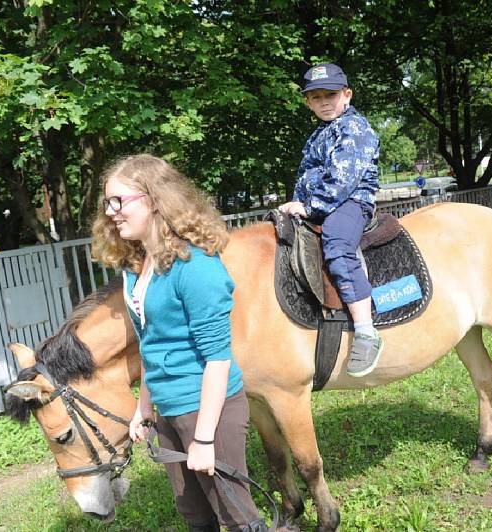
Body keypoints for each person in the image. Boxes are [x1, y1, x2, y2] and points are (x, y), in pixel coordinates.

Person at [91, 154, 267, 532]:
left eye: (119, 201)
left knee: (237, 517)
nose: (112, 212)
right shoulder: (137, 268)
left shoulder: (196, 267)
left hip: (208, 412)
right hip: (168, 412)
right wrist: (144, 409)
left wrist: (204, 438)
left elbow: (217, 360)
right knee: (195, 516)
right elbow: (151, 346)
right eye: (108, 203)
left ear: (154, 200)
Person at [278, 62, 383, 378]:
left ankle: (366, 330)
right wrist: (297, 203)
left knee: (337, 245)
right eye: (316, 97)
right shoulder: (317, 135)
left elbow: (343, 179)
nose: (324, 102)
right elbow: (305, 174)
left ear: (347, 95)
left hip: (350, 203)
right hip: (318, 203)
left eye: (331, 95)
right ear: (308, 102)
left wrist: (310, 206)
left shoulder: (355, 130)